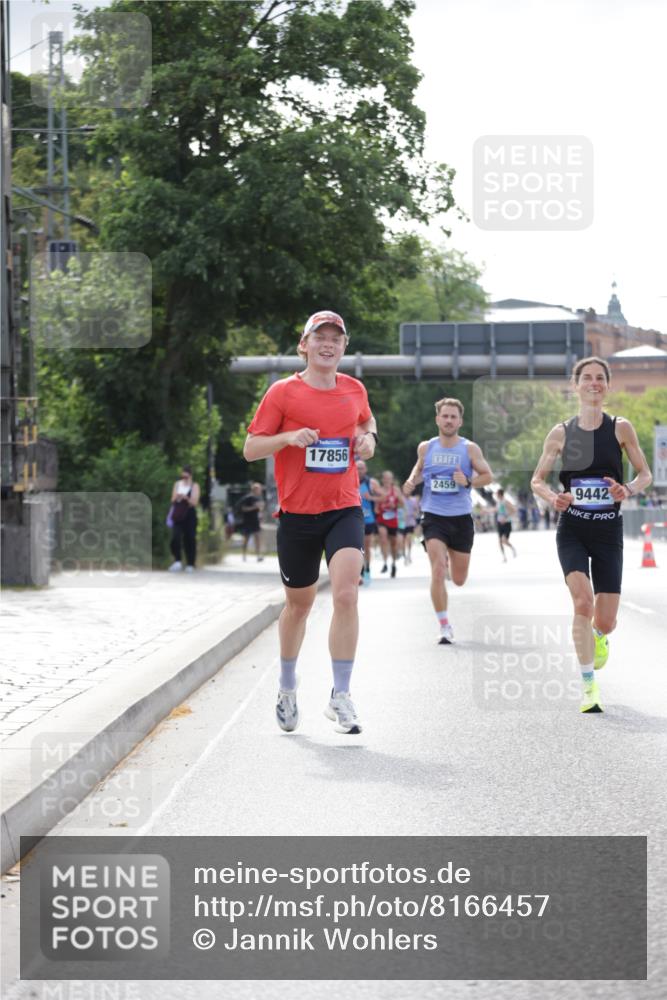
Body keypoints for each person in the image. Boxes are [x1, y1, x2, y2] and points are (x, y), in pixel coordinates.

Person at [243, 310, 377, 734]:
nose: (328, 344)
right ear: (304, 345)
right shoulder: (283, 393)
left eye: (336, 338)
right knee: (298, 606)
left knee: (345, 595)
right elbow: (250, 448)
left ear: (344, 347)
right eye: (320, 337)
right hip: (298, 515)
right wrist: (287, 438)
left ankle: (341, 696)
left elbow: (366, 421)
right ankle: (286, 685)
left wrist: (369, 438)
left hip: (344, 507)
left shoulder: (354, 389)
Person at [531, 357, 652, 713]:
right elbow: (536, 479)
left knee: (606, 620)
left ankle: (598, 637)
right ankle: (588, 688)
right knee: (582, 602)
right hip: (573, 529)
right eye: (587, 378)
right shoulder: (561, 432)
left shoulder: (621, 428)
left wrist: (627, 489)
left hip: (607, 532)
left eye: (600, 378)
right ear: (576, 385)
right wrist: (555, 497)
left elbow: (644, 474)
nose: (594, 383)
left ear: (607, 386)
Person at [403, 397, 492, 644]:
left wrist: (469, 481)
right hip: (433, 516)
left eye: (454, 417)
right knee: (438, 569)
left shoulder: (469, 449)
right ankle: (444, 625)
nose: (449, 420)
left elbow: (488, 475)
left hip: (461, 518)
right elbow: (420, 470)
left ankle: (451, 566)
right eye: (445, 416)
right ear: (437, 419)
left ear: (460, 421)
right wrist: (412, 481)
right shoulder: (426, 447)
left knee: (459, 579)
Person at [168, 465, 200, 572]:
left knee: (190, 538)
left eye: (186, 477)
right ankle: (177, 560)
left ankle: (190, 563)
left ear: (190, 476)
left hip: (189, 514)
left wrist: (186, 498)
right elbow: (172, 499)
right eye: (183, 477)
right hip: (178, 513)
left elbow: (194, 502)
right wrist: (177, 497)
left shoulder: (194, 486)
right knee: (175, 537)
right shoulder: (177, 484)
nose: (184, 479)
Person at [356, 459, 382, 585]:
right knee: (356, 546)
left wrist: (371, 497)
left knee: (366, 546)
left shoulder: (371, 483)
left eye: (361, 468)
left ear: (365, 469)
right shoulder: (349, 481)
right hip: (354, 519)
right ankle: (359, 570)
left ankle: (367, 569)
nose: (359, 470)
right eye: (357, 467)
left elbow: (383, 496)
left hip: (369, 519)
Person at [376, 470, 404, 577]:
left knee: (393, 544)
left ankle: (393, 563)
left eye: (389, 478)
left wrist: (395, 505)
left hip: (393, 520)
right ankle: (385, 563)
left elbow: (402, 504)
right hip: (382, 519)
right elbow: (375, 505)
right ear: (382, 479)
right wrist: (377, 508)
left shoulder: (395, 490)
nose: (387, 480)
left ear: (392, 480)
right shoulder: (379, 490)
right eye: (385, 478)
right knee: (383, 538)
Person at [238, 482, 265, 561]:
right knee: (246, 538)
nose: (260, 490)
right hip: (247, 520)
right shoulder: (248, 498)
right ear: (255, 489)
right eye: (259, 489)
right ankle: (244, 555)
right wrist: (254, 507)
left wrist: (261, 507)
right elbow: (243, 509)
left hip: (255, 521)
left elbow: (260, 510)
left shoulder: (258, 498)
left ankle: (258, 555)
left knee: (257, 538)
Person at [495, 488, 517, 562]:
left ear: (500, 494)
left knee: (504, 540)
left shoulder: (505, 502)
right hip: (499, 523)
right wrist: (486, 511)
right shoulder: (498, 502)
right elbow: (496, 510)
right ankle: (504, 557)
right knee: (500, 541)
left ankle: (512, 549)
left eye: (497, 494)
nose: (496, 495)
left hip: (506, 523)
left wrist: (505, 517)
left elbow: (514, 510)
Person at [401, 493, 420, 564]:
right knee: (402, 540)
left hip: (411, 522)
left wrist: (415, 514)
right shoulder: (401, 498)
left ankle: (409, 554)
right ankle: (404, 555)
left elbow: (417, 510)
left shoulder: (413, 500)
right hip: (402, 523)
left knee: (409, 538)